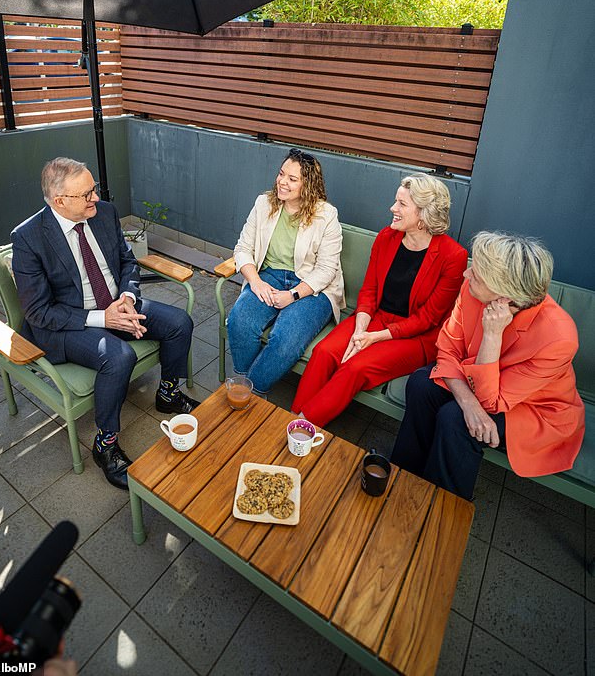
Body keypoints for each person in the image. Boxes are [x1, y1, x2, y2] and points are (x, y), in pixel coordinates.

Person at [11, 157, 198, 490]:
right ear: (59, 201)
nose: (95, 197)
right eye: (86, 194)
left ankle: (168, 393)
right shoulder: (29, 239)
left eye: (93, 189)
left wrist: (125, 298)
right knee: (118, 356)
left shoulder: (105, 213)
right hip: (68, 324)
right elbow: (40, 312)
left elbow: (127, 262)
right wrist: (104, 318)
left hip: (116, 304)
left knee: (179, 322)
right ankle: (106, 443)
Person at [391, 231, 585, 501]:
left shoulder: (559, 338)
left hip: (534, 409)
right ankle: (403, 476)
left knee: (455, 420)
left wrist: (492, 335)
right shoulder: (473, 292)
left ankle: (443, 510)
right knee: (421, 384)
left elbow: (493, 402)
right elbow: (447, 349)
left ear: (505, 296)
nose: (466, 274)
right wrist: (468, 404)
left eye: (478, 275)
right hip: (476, 381)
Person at [291, 173, 467, 426]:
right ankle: (291, 419)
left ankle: (301, 426)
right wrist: (360, 330)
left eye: (402, 204)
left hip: (415, 336)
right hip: (374, 318)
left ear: (424, 215)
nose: (392, 208)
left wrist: (373, 338)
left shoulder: (453, 256)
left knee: (354, 368)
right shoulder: (387, 237)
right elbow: (369, 291)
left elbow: (428, 319)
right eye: (396, 201)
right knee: (324, 352)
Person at [227, 147, 344, 395]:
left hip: (312, 287)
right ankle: (246, 381)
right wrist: (256, 282)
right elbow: (242, 249)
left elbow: (326, 270)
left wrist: (292, 295)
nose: (282, 182)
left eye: (292, 179)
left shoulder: (327, 215)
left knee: (286, 338)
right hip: (269, 275)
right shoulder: (263, 203)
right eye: (281, 174)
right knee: (240, 320)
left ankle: (249, 392)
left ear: (308, 185)